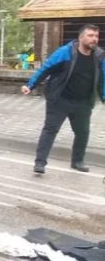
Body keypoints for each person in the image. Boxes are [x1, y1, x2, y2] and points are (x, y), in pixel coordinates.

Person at [22, 24, 105, 174]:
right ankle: (40, 163)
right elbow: (45, 69)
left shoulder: (99, 56)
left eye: (96, 36)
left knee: (83, 133)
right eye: (90, 35)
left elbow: (102, 79)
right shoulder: (65, 52)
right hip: (60, 99)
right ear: (81, 37)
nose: (94, 39)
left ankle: (77, 161)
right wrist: (30, 85)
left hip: (83, 102)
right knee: (50, 130)